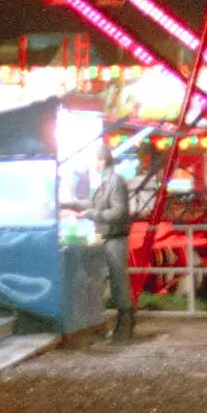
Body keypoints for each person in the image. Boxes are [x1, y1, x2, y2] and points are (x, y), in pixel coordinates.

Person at [64, 144, 134, 343]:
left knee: (119, 280)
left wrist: (93, 215)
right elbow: (93, 204)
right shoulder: (107, 181)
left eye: (94, 160)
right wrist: (69, 204)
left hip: (115, 237)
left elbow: (118, 211)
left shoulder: (114, 182)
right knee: (115, 280)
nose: (92, 165)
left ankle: (125, 326)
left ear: (102, 161)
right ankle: (123, 326)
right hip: (109, 236)